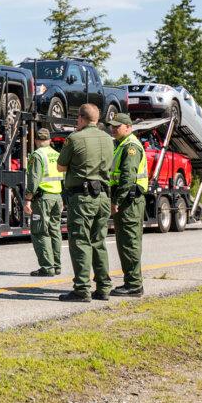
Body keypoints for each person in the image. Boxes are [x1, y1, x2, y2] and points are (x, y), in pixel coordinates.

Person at [55, 104, 114, 302]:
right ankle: (104, 287)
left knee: (80, 241)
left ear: (80, 119)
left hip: (82, 197)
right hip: (103, 197)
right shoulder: (108, 139)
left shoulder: (74, 138)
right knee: (99, 241)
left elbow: (61, 166)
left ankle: (82, 289)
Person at [108, 113, 148, 296]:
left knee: (129, 242)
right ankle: (132, 282)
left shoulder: (130, 146)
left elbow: (127, 177)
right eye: (112, 126)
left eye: (117, 126)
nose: (113, 128)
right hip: (127, 201)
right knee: (126, 242)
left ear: (128, 127)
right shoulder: (122, 144)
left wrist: (117, 201)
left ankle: (133, 285)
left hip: (129, 202)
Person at [24, 127, 63, 277]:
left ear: (36, 141)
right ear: (49, 140)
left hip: (43, 198)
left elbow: (34, 179)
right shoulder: (56, 154)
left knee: (40, 232)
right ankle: (56, 265)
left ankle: (47, 267)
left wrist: (28, 199)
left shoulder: (37, 155)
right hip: (57, 197)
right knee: (55, 231)